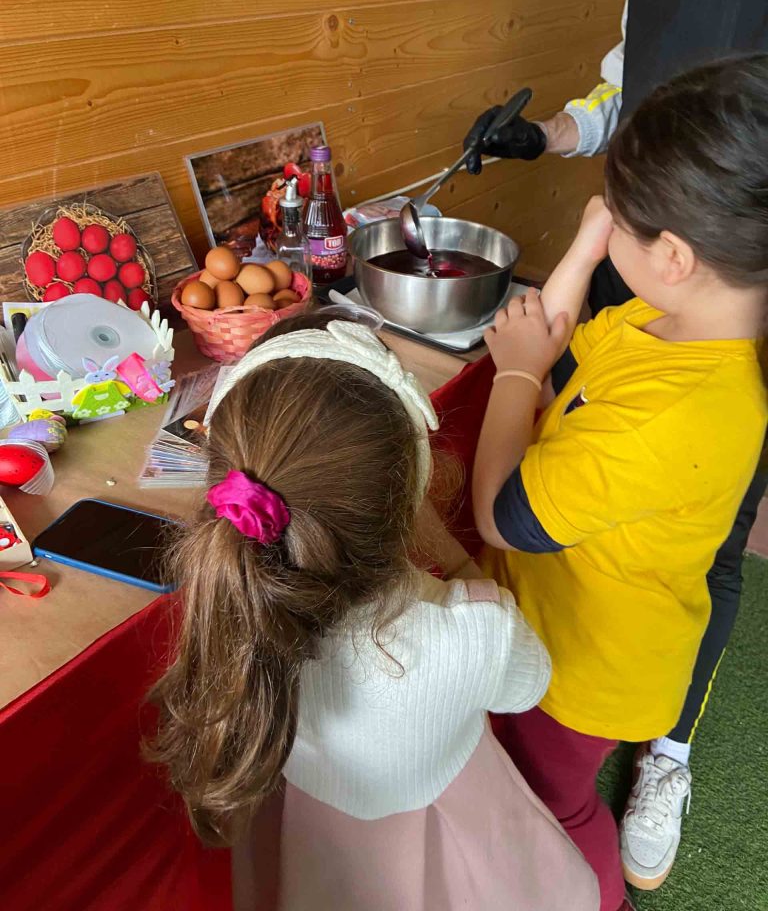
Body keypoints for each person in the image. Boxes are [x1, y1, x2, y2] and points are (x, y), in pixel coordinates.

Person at [463, 0, 768, 888]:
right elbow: (572, 330)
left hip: (583, 675)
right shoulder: (664, 323)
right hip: (572, 618)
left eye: (613, 214)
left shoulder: (675, 412)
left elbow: (504, 517)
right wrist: (597, 232)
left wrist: (516, 374)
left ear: (670, 255)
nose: (600, 221)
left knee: (556, 803)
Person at [146, 310, 599, 911]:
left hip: (306, 831)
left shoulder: (236, 604)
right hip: (452, 827)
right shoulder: (475, 630)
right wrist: (458, 564)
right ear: (414, 491)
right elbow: (529, 683)